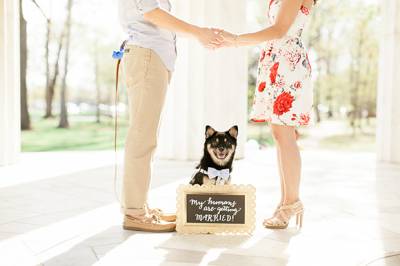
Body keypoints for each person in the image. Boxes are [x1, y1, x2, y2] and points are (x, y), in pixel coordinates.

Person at [118, 0, 223, 232]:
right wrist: (200, 33)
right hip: (147, 54)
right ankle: (134, 212)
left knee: (147, 135)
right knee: (142, 135)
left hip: (152, 55)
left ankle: (139, 207)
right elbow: (152, 13)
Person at [218, 0, 317, 229]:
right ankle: (286, 201)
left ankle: (291, 201)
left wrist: (235, 40)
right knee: (280, 134)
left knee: (286, 135)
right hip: (276, 60)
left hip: (288, 64)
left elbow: (279, 29)